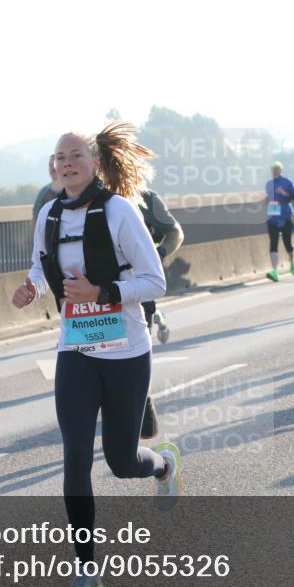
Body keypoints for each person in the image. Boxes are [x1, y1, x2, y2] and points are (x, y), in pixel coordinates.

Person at [11, 122, 181, 587]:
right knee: (74, 458)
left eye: (76, 156)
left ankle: (163, 465)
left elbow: (155, 282)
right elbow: (41, 264)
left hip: (126, 349)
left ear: (96, 163)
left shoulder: (120, 211)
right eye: (60, 157)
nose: (66, 163)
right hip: (77, 348)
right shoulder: (48, 213)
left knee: (122, 461)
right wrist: (32, 286)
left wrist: (102, 292)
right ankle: (86, 567)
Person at [136, 187, 184, 440]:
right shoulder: (77, 197)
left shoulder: (145, 197)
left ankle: (141, 401)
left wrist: (159, 253)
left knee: (132, 357)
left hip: (137, 293)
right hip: (94, 296)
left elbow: (175, 232)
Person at [263, 160, 294, 281]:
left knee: (287, 242)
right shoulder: (268, 184)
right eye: (273, 169)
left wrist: (285, 193)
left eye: (277, 168)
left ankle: (292, 262)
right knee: (273, 242)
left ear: (281, 170)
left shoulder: (287, 182)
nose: (275, 171)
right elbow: (270, 197)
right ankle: (275, 272)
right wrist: (267, 200)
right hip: (273, 215)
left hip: (285, 214)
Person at [31, 154, 62, 232]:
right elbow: (36, 218)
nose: (53, 168)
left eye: (55, 164)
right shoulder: (43, 192)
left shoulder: (72, 190)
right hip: (47, 239)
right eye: (50, 165)